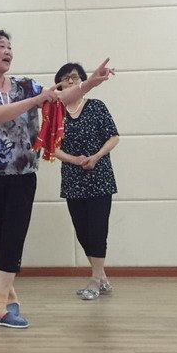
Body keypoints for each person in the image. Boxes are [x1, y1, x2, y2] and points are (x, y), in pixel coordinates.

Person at [0, 30, 113, 329]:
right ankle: (8, 298)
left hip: (22, 174)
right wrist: (36, 101)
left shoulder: (25, 84)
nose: (8, 51)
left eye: (10, 47)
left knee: (13, 238)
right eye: (1, 46)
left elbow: (58, 99)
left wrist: (91, 83)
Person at [52, 63, 119, 301]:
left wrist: (96, 156)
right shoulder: (55, 113)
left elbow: (113, 137)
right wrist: (75, 160)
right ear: (59, 84)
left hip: (100, 176)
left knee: (98, 229)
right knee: (82, 231)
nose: (70, 81)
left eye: (74, 77)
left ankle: (95, 279)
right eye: (65, 78)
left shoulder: (96, 106)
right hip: (73, 179)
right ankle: (102, 278)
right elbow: (52, 148)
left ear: (82, 80)